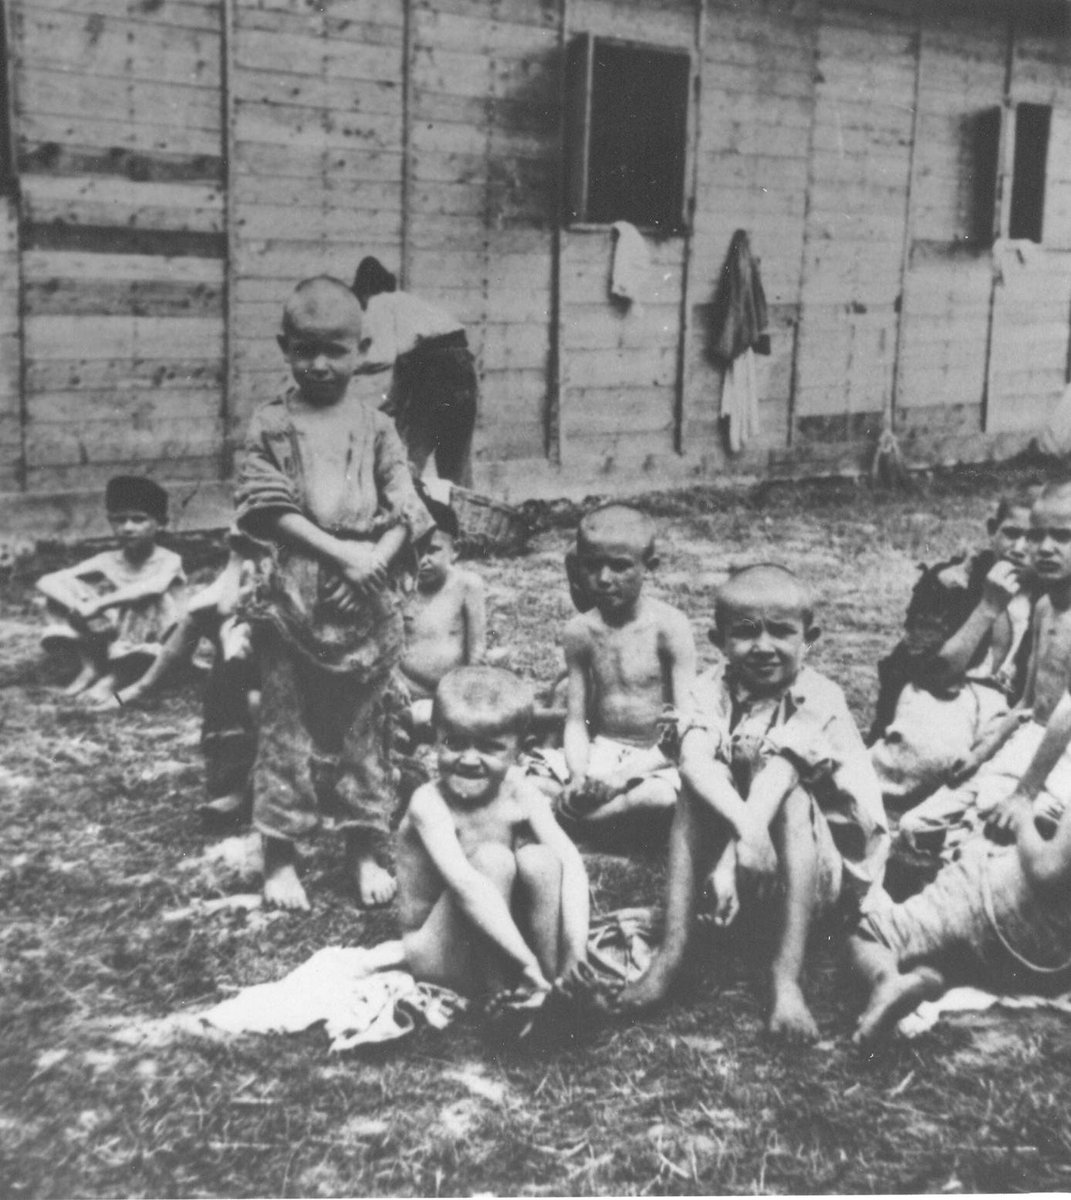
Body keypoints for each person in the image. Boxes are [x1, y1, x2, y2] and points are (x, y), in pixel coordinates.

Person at [620, 565, 889, 1040]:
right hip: (749, 859)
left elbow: (780, 775)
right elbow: (694, 761)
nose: (763, 646)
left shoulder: (819, 697)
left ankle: (786, 978)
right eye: (745, 633)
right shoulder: (708, 688)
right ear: (719, 640)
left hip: (823, 879)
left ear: (810, 639)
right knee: (695, 788)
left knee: (790, 794)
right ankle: (671, 956)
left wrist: (732, 857)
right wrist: (743, 841)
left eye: (781, 632)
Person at [234, 275, 434, 911]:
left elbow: (407, 505)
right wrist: (341, 557)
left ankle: (363, 846)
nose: (319, 365)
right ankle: (279, 856)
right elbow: (266, 506)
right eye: (305, 350)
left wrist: (372, 561)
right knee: (284, 728)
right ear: (284, 348)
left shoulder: (379, 428)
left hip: (365, 596)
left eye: (335, 350)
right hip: (294, 597)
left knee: (368, 729)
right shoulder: (270, 424)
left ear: (362, 349)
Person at [851, 689, 1071, 1045]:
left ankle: (886, 980)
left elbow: (1047, 870)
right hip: (1051, 964)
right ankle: (926, 980)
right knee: (958, 959)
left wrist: (1024, 811)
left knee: (870, 934)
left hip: (1001, 902)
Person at [362, 666, 590, 998]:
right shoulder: (429, 803)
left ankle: (552, 982)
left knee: (542, 860)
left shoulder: (520, 791)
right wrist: (524, 962)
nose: (469, 759)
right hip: (437, 953)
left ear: (519, 750)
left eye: (489, 747)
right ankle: (500, 995)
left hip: (498, 935)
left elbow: (571, 862)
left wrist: (576, 950)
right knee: (493, 860)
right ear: (435, 738)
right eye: (454, 743)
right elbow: (467, 885)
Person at [898, 481, 1071, 863]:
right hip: (1024, 743)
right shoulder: (1046, 608)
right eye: (1037, 535)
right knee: (914, 826)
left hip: (1063, 759)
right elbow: (1027, 703)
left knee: (986, 839)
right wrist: (981, 753)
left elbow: (1065, 714)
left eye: (1063, 536)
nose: (1044, 548)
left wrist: (1024, 793)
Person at [530, 504, 696, 839]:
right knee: (529, 783)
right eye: (592, 566)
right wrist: (578, 775)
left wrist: (622, 778)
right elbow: (575, 720)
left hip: (656, 757)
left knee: (659, 797)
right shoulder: (580, 631)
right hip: (602, 750)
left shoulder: (670, 627)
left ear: (649, 567)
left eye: (620, 566)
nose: (604, 579)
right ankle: (595, 812)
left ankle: (582, 822)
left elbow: (684, 722)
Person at [869, 496, 1035, 809]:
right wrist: (988, 607)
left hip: (1009, 714)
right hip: (943, 693)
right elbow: (933, 674)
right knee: (932, 756)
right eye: (1012, 533)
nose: (1020, 548)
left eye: (1034, 537)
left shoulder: (1054, 598)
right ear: (993, 529)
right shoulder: (955, 579)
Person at [99, 542, 260, 828]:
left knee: (251, 689)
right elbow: (210, 604)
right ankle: (143, 686)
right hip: (260, 623)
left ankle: (251, 785)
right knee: (223, 643)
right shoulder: (256, 541)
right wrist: (238, 560)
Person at [37, 475, 186, 704]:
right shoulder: (107, 560)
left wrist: (98, 605)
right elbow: (47, 581)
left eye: (139, 520)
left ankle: (115, 679)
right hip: (122, 632)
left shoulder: (169, 560)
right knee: (54, 598)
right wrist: (80, 606)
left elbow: (152, 588)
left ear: (161, 523)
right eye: (120, 520)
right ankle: (91, 667)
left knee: (143, 598)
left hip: (164, 639)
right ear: (110, 522)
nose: (128, 528)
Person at [352, 256, 478, 487]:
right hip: (462, 368)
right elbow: (404, 364)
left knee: (409, 456)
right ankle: (462, 505)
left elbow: (384, 355)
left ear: (364, 291)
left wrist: (347, 364)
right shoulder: (408, 302)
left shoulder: (379, 301)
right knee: (455, 462)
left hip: (434, 372)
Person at [397, 497, 487, 734]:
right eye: (416, 551)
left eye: (433, 550)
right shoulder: (402, 587)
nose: (423, 560)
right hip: (406, 690)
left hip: (452, 693)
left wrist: (465, 691)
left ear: (455, 550)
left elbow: (477, 649)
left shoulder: (467, 585)